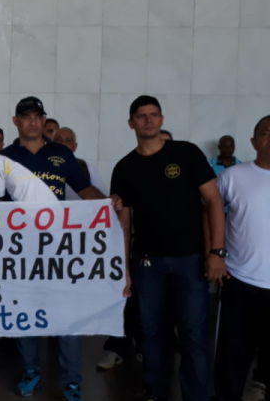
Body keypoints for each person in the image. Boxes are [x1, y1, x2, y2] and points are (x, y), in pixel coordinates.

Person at [111, 95, 226, 401]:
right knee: (150, 333)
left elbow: (213, 201)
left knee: (193, 335)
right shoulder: (125, 167)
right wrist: (123, 270)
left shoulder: (186, 153)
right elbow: (124, 223)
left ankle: (196, 396)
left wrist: (217, 252)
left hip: (190, 261)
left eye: (154, 114)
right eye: (141, 115)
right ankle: (155, 391)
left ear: (161, 119)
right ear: (131, 123)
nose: (148, 120)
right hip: (147, 263)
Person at [0, 96, 113, 401]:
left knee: (67, 320)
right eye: (26, 116)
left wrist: (107, 204)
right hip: (19, 251)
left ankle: (72, 383)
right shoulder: (5, 158)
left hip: (58, 250)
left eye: (38, 116)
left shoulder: (61, 154)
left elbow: (85, 189)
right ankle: (31, 372)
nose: (33, 122)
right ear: (16, 121)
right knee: (24, 318)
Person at [214, 115, 270, 401]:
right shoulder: (233, 176)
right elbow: (210, 213)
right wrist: (216, 254)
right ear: (253, 141)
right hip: (241, 279)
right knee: (232, 357)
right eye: (265, 132)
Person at [53, 127, 107, 199]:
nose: (63, 144)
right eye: (58, 140)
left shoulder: (87, 168)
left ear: (75, 146)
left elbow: (102, 200)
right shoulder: (43, 166)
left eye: (68, 140)